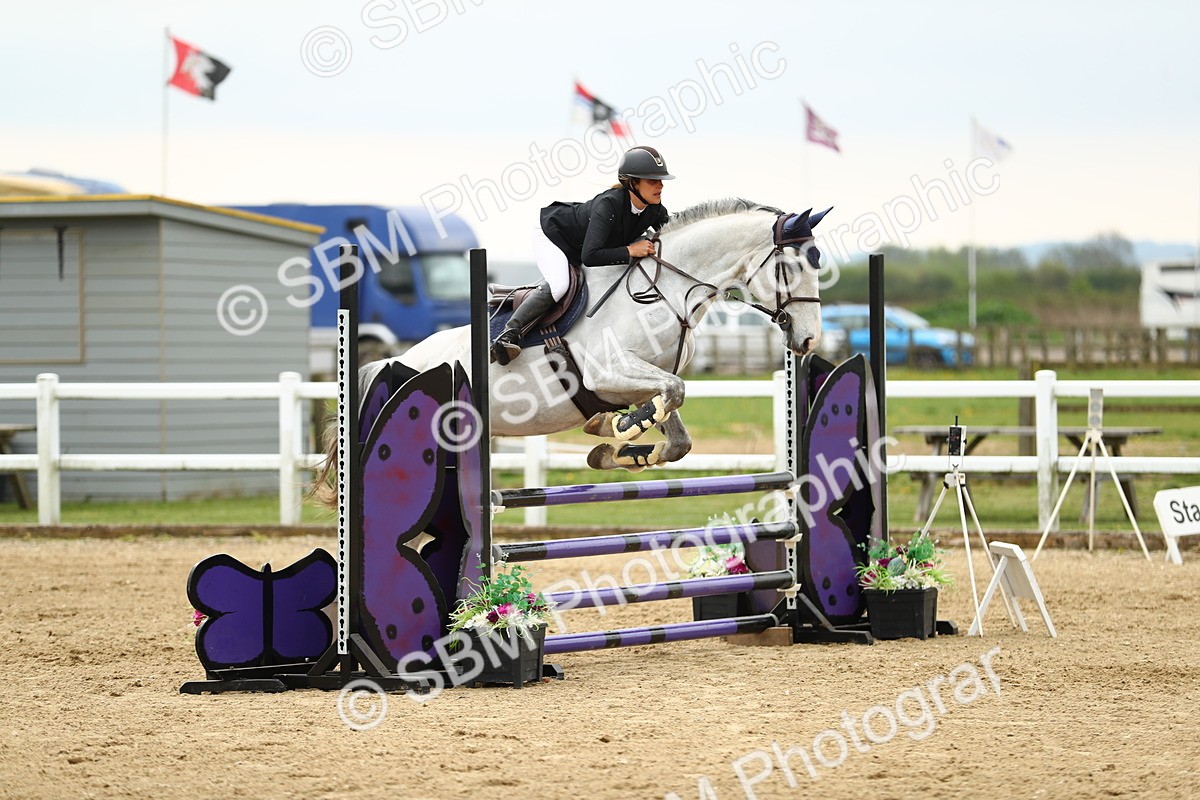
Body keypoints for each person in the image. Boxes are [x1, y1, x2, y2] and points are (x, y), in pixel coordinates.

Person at [490, 145, 674, 364]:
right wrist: (630, 250)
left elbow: (673, 232)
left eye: (661, 180)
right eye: (652, 180)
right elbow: (591, 257)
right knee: (560, 285)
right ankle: (509, 333)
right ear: (632, 182)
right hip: (553, 235)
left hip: (582, 244)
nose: (660, 185)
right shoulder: (609, 204)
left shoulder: (654, 209)